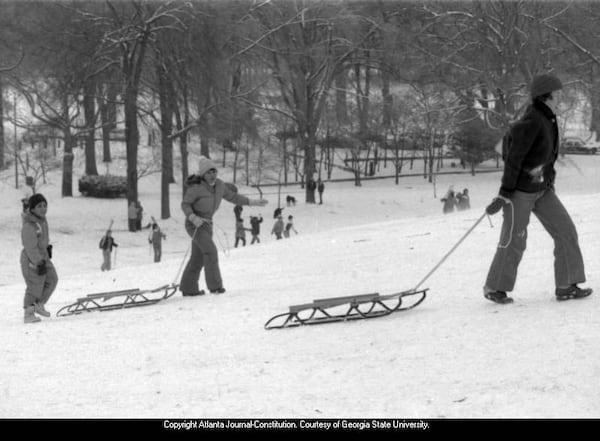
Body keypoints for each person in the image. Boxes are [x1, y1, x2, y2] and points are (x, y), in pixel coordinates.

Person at [483, 73, 592, 304]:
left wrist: (548, 179)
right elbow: (514, 158)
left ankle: (567, 285)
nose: (560, 98)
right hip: (520, 192)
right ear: (546, 96)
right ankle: (495, 288)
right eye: (557, 94)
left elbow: (547, 158)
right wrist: (505, 192)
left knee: (566, 231)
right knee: (514, 239)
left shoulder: (547, 118)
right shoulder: (533, 121)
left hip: (542, 190)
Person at [180, 156, 268, 296]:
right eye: (208, 173)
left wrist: (253, 202)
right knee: (211, 251)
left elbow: (234, 197)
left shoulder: (220, 186)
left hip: (207, 225)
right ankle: (215, 286)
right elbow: (185, 204)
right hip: (194, 224)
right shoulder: (196, 188)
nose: (212, 175)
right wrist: (193, 217)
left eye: (214, 171)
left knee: (198, 257)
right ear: (203, 174)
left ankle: (188, 288)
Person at [20, 193, 58, 323]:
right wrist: (38, 262)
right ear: (32, 209)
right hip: (31, 258)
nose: (43, 208)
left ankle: (39, 305)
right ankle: (29, 313)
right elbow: (30, 247)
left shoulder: (42, 221)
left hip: (43, 256)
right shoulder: (29, 225)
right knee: (35, 285)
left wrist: (46, 249)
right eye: (39, 206)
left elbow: (41, 240)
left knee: (52, 279)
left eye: (45, 205)